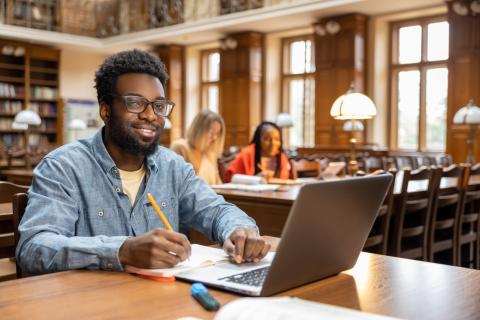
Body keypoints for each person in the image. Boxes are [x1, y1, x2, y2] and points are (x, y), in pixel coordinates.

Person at [16, 49, 270, 275]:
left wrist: (239, 230)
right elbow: (34, 248)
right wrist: (121, 250)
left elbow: (217, 211)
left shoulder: (174, 167)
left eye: (159, 105)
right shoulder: (63, 167)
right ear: (106, 110)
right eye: (135, 103)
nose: (150, 115)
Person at [225, 121, 291, 182]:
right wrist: (255, 179)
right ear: (258, 140)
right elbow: (231, 177)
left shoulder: (281, 157)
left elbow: (285, 179)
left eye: (277, 139)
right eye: (266, 139)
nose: (273, 144)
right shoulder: (247, 154)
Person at [170, 110, 224, 185]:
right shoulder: (180, 147)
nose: (214, 137)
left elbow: (218, 183)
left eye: (217, 133)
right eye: (211, 132)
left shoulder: (211, 153)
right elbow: (176, 182)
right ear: (198, 130)